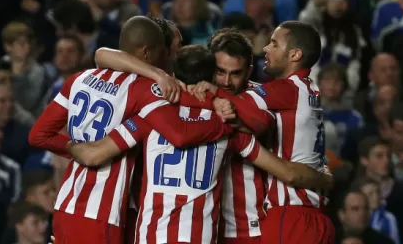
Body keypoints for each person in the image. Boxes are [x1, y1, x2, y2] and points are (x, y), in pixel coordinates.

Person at [66, 43, 332, 244]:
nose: (227, 81)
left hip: (160, 234)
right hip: (204, 234)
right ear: (211, 75)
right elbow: (269, 136)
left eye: (235, 73)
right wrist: (323, 178)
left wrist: (69, 146)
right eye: (221, 73)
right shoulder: (229, 123)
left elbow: (93, 154)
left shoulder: (153, 111)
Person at [27, 16, 236, 244]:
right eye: (172, 48)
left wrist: (72, 147)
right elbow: (180, 134)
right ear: (149, 52)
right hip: (102, 212)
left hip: (67, 204)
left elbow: (38, 135)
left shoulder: (80, 77)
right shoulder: (145, 90)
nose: (174, 55)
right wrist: (221, 114)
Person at [193, 21, 335, 244]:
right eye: (219, 72)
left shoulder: (277, 94)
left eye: (274, 44)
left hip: (274, 221)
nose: (226, 82)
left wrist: (215, 94)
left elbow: (259, 121)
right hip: (212, 226)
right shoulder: (303, 91)